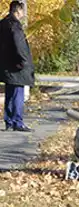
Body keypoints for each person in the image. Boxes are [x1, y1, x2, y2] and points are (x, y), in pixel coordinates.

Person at [0, 0, 33, 132]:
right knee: (18, 93)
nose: (24, 14)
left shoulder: (2, 23)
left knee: (9, 93)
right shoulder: (15, 26)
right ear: (18, 11)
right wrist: (24, 61)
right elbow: (19, 45)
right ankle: (17, 122)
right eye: (23, 11)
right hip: (17, 66)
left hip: (6, 65)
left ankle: (8, 121)